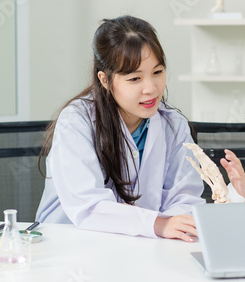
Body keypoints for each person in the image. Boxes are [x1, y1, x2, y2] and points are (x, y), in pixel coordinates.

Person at [36, 15, 205, 242]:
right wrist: (157, 223)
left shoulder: (172, 124)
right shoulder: (76, 122)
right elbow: (88, 207)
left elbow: (185, 197)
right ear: (105, 80)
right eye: (135, 79)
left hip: (143, 246)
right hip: (71, 244)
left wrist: (171, 225)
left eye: (157, 72)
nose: (151, 89)